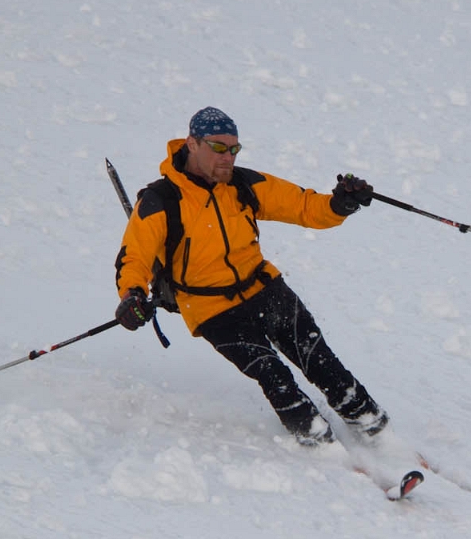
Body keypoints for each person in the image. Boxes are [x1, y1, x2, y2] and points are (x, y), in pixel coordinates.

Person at [114, 106, 387, 447]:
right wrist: (132, 295)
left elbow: (302, 206)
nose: (227, 157)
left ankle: (372, 424)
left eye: (234, 149)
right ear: (192, 144)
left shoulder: (242, 183)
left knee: (317, 355)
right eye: (218, 148)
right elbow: (134, 257)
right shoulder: (161, 200)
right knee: (271, 372)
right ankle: (319, 443)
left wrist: (341, 204)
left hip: (263, 288)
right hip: (210, 308)